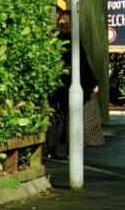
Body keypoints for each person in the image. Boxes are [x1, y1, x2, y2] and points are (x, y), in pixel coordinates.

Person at [45, 9, 104, 158]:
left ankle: (52, 149)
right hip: (72, 84)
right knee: (76, 119)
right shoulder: (74, 40)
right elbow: (82, 64)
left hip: (56, 86)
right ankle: (73, 150)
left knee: (57, 118)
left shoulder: (52, 40)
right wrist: (92, 83)